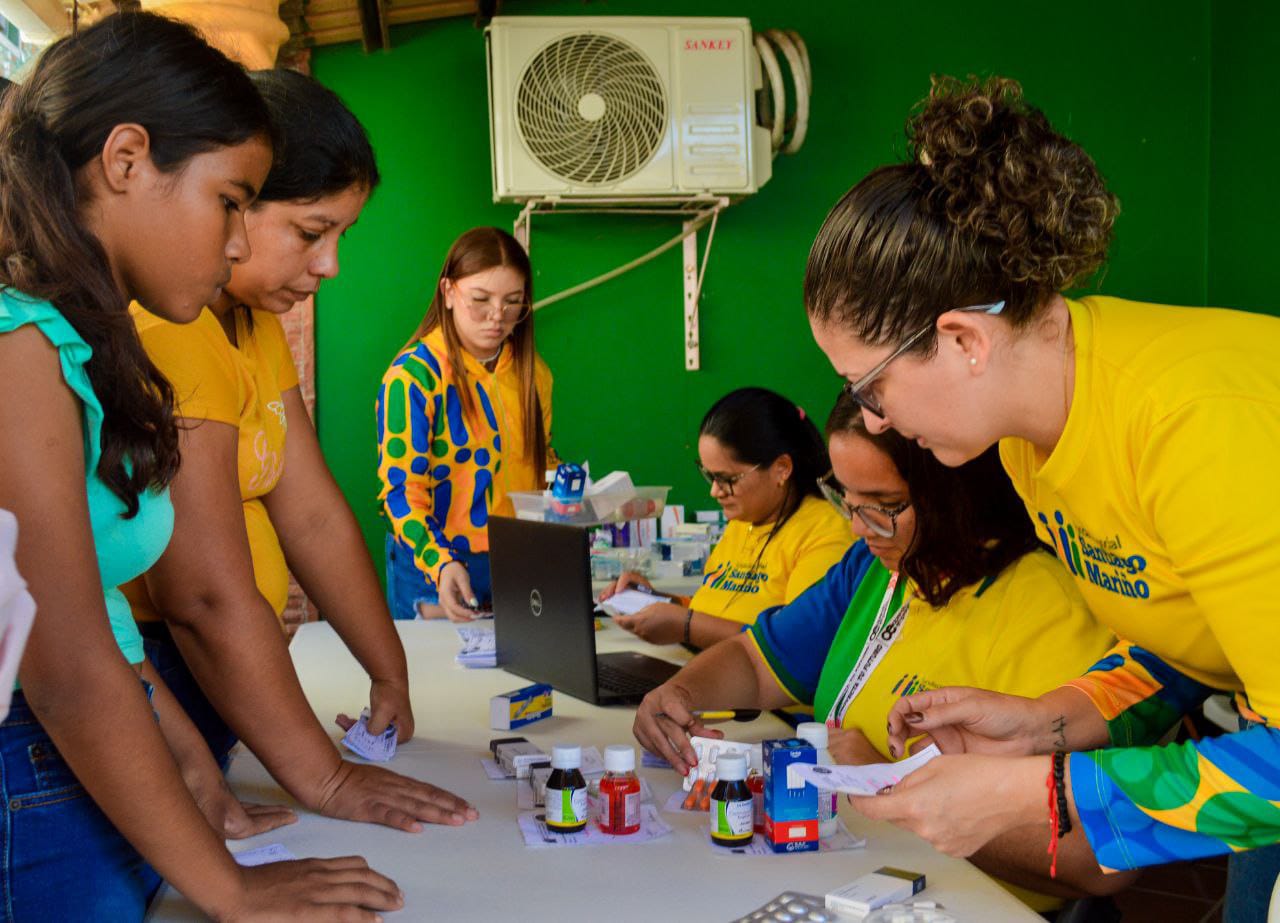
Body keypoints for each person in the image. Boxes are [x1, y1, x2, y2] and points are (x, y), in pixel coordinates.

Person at [804, 75, 1280, 921]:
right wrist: (1048, 721)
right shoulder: (1029, 434)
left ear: (963, 340)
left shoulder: (1198, 428)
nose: (873, 418)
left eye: (868, 387)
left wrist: (1038, 794)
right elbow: (1182, 636)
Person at [0, 13, 403, 920]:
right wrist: (230, 888)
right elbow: (61, 661)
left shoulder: (63, 340)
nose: (234, 243)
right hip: (34, 766)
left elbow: (92, 607)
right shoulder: (19, 344)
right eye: (230, 200)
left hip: (84, 755)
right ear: (128, 159)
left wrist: (183, 751)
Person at [126, 68, 478, 833]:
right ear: (233, 203)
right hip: (174, 667)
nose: (330, 266)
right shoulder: (171, 331)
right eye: (312, 232)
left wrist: (388, 668)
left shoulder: (248, 325)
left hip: (228, 671)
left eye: (341, 237)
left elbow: (312, 511)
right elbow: (202, 595)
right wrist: (324, 777)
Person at [634, 391, 1116, 905]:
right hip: (849, 870)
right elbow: (756, 661)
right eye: (846, 498)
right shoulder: (876, 569)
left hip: (963, 901)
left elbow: (1092, 859)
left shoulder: (1046, 607)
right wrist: (680, 692)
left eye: (886, 507)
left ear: (960, 489)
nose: (857, 528)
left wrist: (884, 783)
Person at [378, 226, 554, 622]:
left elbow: (536, 462)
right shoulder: (413, 377)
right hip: (434, 566)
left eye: (513, 303)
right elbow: (401, 492)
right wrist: (440, 563)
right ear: (448, 292)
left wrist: (575, 492)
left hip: (515, 561)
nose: (498, 317)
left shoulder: (533, 375)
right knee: (442, 680)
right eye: (480, 300)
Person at [602, 387, 850, 649]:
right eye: (709, 475)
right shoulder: (745, 520)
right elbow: (719, 609)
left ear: (782, 469)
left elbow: (796, 646)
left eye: (727, 479)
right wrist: (657, 602)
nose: (714, 491)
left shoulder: (827, 531)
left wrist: (684, 625)